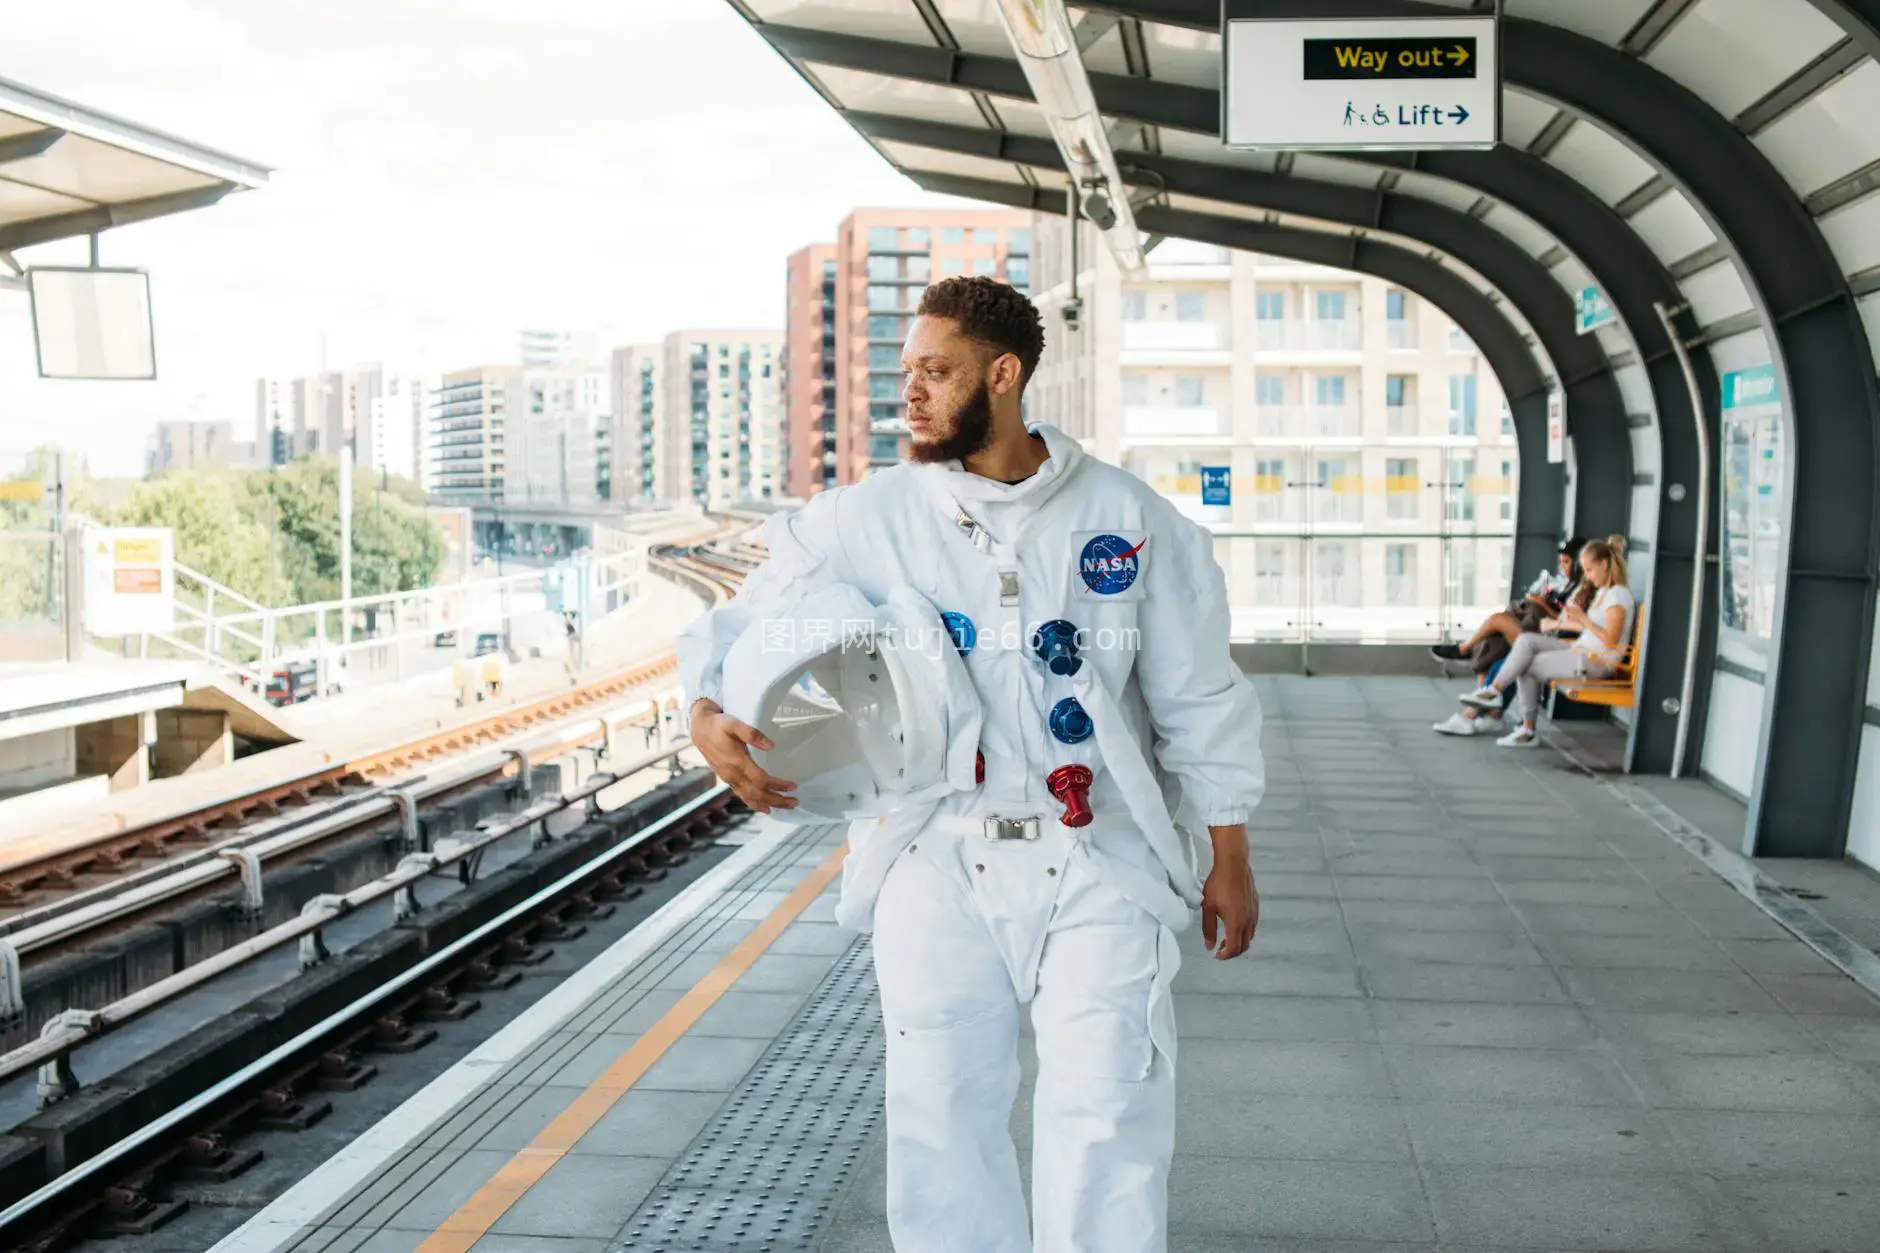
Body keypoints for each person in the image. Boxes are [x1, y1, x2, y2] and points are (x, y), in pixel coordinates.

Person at [677, 276, 1265, 1253]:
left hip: (1098, 855)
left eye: (934, 371)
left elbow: (1196, 692)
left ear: (1002, 374)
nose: (909, 392)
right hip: (932, 855)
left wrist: (1227, 850)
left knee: (1107, 1109)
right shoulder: (866, 516)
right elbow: (741, 616)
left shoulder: (1125, 517)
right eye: (905, 371)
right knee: (938, 1113)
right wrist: (702, 709)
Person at [1450, 536, 1635, 748]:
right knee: (1527, 641)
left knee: (1527, 665)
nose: (1588, 576)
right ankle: (1494, 691)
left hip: (1596, 662)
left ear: (1604, 564)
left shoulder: (1618, 596)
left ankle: (1527, 730)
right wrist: (1562, 624)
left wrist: (1582, 618)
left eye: (1590, 570)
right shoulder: (1606, 592)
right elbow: (1592, 630)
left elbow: (1610, 640)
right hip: (1581, 650)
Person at [1430, 537, 1581, 673]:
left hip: (1544, 636)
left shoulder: (1581, 591)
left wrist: (1542, 604)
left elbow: (1568, 621)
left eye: (1567, 562)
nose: (1563, 567)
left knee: (1497, 621)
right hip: (1534, 628)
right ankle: (1480, 692)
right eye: (1561, 562)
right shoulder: (1566, 585)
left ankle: (1466, 649)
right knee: (1491, 641)